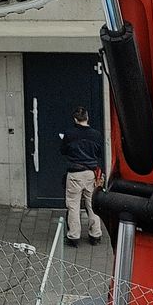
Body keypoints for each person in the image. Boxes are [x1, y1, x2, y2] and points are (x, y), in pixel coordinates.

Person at [57, 105, 105, 245]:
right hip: (91, 174)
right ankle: (95, 235)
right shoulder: (96, 134)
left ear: (75, 119)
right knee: (92, 205)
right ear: (87, 117)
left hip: (74, 174)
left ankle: (74, 237)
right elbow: (99, 153)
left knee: (73, 205)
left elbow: (63, 151)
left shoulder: (69, 134)